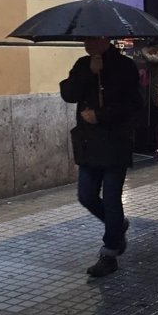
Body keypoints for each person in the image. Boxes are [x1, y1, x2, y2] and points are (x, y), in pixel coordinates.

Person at [60, 36, 142, 277]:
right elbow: (68, 93)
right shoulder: (82, 64)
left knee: (111, 198)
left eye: (91, 39)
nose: (86, 43)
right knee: (86, 195)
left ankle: (109, 252)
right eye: (85, 39)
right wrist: (88, 73)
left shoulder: (125, 67)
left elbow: (133, 105)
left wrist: (101, 115)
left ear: (105, 39)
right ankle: (118, 226)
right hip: (88, 144)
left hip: (115, 143)